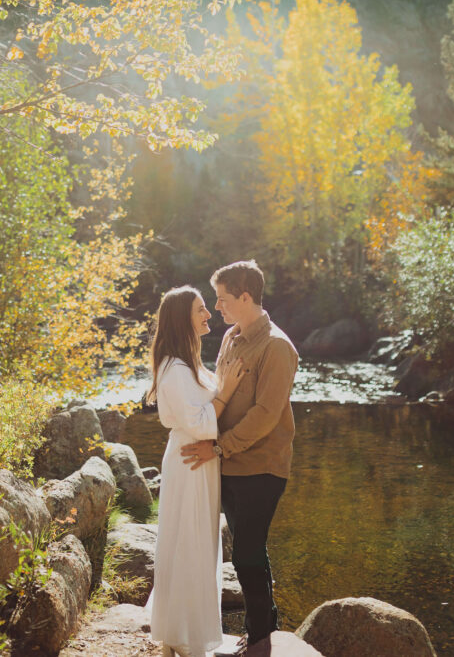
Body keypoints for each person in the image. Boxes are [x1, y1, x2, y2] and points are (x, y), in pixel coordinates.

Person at [181, 261, 299, 652]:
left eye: (223, 299)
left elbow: (265, 415)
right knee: (246, 549)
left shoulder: (277, 347)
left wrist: (217, 447)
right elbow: (222, 394)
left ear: (246, 298)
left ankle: (261, 637)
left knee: (247, 550)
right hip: (228, 463)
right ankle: (266, 624)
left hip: (262, 467)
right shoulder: (233, 336)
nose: (217, 307)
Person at [146, 286, 246, 657]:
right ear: (181, 319)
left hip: (199, 464)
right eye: (201, 309)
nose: (208, 314)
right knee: (188, 544)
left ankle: (183, 633)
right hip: (190, 463)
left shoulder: (190, 365)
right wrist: (228, 389)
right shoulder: (174, 369)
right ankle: (184, 639)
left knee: (198, 545)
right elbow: (202, 423)